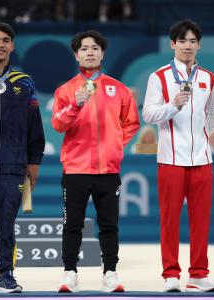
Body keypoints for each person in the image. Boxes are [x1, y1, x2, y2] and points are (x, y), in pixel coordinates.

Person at [51, 29, 139, 293]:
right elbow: (57, 124)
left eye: (95, 48)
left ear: (102, 53)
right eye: (84, 49)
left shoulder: (119, 89)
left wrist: (113, 146)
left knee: (109, 224)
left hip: (108, 170)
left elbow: (131, 123)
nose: (90, 52)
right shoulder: (66, 90)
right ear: (76, 54)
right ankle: (70, 273)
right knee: (72, 224)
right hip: (76, 169)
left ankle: (110, 273)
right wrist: (75, 105)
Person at [143, 19, 214, 292]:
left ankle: (198, 274)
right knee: (170, 219)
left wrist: (202, 135)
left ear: (199, 45)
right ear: (172, 44)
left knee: (200, 220)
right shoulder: (159, 77)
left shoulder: (209, 78)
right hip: (170, 159)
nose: (188, 46)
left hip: (202, 159)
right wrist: (172, 106)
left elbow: (213, 115)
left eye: (193, 41)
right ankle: (171, 275)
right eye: (183, 41)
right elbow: (149, 114)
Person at [0, 22, 45, 293]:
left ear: (12, 46)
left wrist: (33, 161)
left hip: (13, 167)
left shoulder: (24, 82)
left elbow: (34, 126)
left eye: (5, 40)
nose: (0, 44)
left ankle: (5, 275)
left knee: (6, 225)